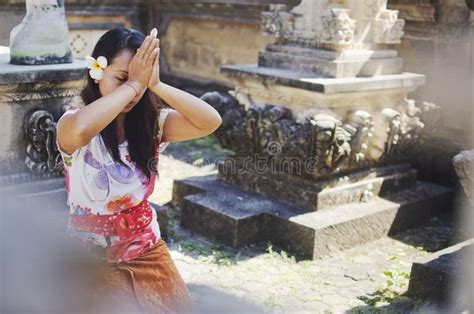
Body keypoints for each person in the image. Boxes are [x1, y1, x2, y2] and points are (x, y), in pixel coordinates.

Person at [56, 26, 222, 313]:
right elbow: (81, 129)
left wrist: (155, 84)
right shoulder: (73, 122)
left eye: (138, 81)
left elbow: (210, 121)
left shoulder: (152, 125)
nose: (132, 92)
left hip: (147, 249)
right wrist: (135, 84)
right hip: (90, 257)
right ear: (97, 72)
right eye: (121, 78)